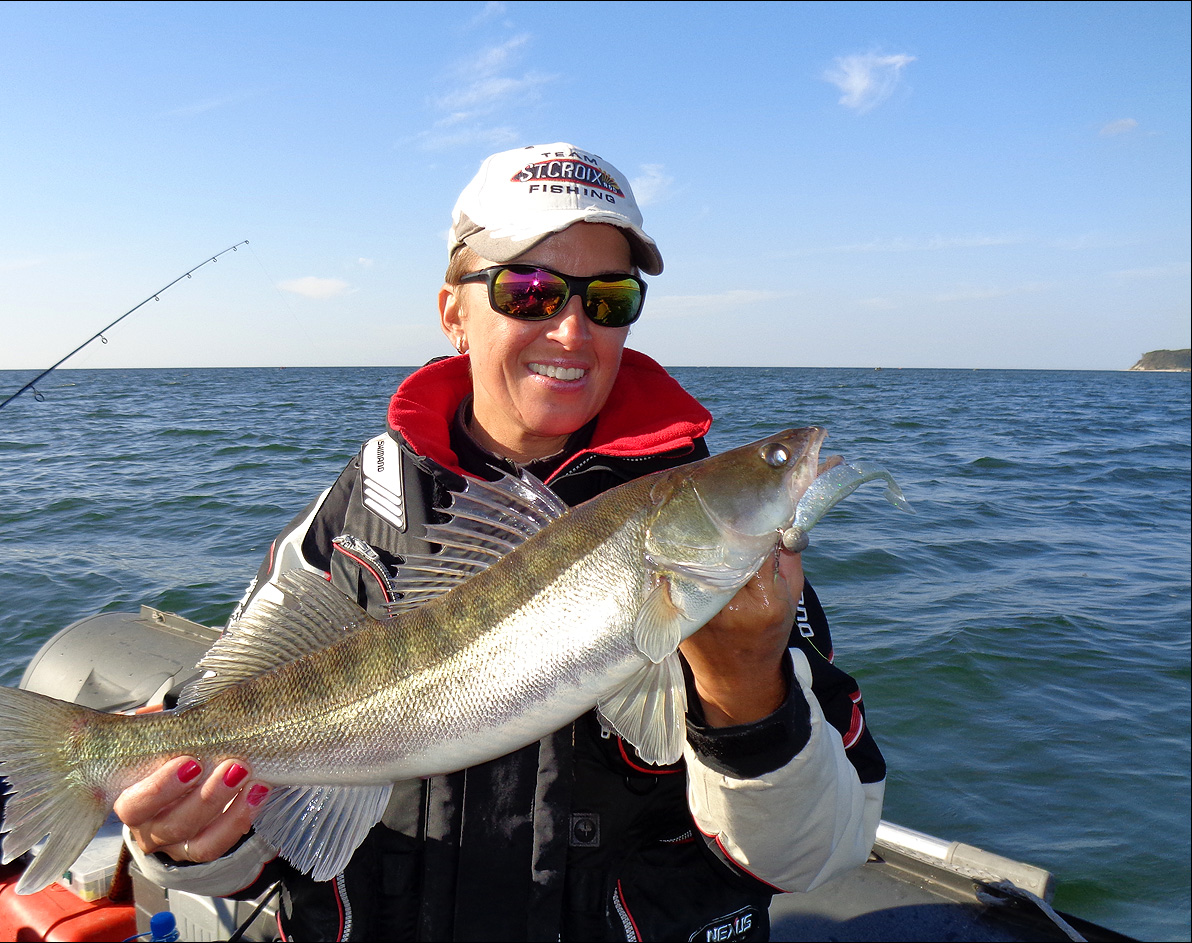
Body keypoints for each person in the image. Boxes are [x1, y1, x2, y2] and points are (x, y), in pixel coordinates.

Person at [116, 143, 886, 941]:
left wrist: (746, 690)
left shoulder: (742, 567)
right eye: (529, 289)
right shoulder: (353, 513)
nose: (571, 328)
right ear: (454, 311)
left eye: (610, 297)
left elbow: (816, 855)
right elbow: (255, 847)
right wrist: (184, 839)